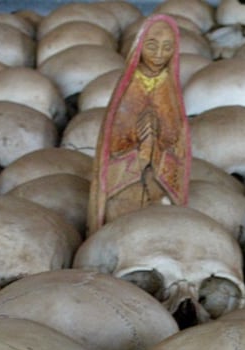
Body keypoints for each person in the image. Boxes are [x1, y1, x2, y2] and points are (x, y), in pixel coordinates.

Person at [88, 14, 190, 235]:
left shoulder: (169, 86)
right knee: (120, 217)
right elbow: (114, 136)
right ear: (140, 46)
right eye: (152, 46)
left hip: (159, 169)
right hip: (128, 171)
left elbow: (177, 135)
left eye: (167, 47)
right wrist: (138, 140)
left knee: (161, 217)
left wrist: (161, 140)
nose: (159, 54)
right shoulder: (129, 87)